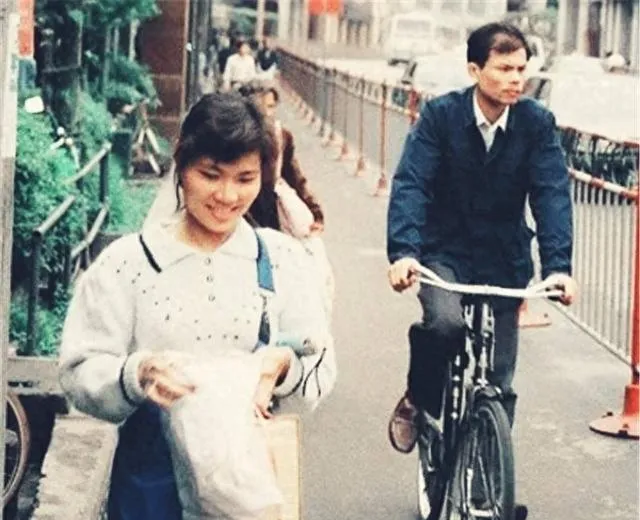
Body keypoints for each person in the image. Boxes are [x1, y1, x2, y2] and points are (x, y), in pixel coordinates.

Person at [58, 92, 336, 519]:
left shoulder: (281, 259)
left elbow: (321, 366)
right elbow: (79, 372)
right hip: (150, 489)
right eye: (211, 175)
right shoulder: (128, 264)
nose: (227, 195)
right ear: (182, 165)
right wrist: (137, 373)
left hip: (248, 487)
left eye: (245, 179)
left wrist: (282, 370)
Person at [386, 22, 578, 519]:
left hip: (503, 258)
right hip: (444, 251)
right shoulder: (441, 116)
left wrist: (559, 267)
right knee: (445, 324)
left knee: (500, 377)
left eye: (522, 69)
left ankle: (488, 490)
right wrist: (404, 252)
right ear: (475, 70)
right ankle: (419, 396)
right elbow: (412, 184)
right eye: (505, 68)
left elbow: (552, 193)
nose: (517, 79)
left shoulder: (536, 123)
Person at [238, 81, 334, 318]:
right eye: (262, 108)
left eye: (272, 107)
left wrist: (315, 211)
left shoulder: (281, 137)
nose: (268, 114)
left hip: (272, 212)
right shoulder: (235, 140)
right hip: (242, 212)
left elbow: (294, 177)